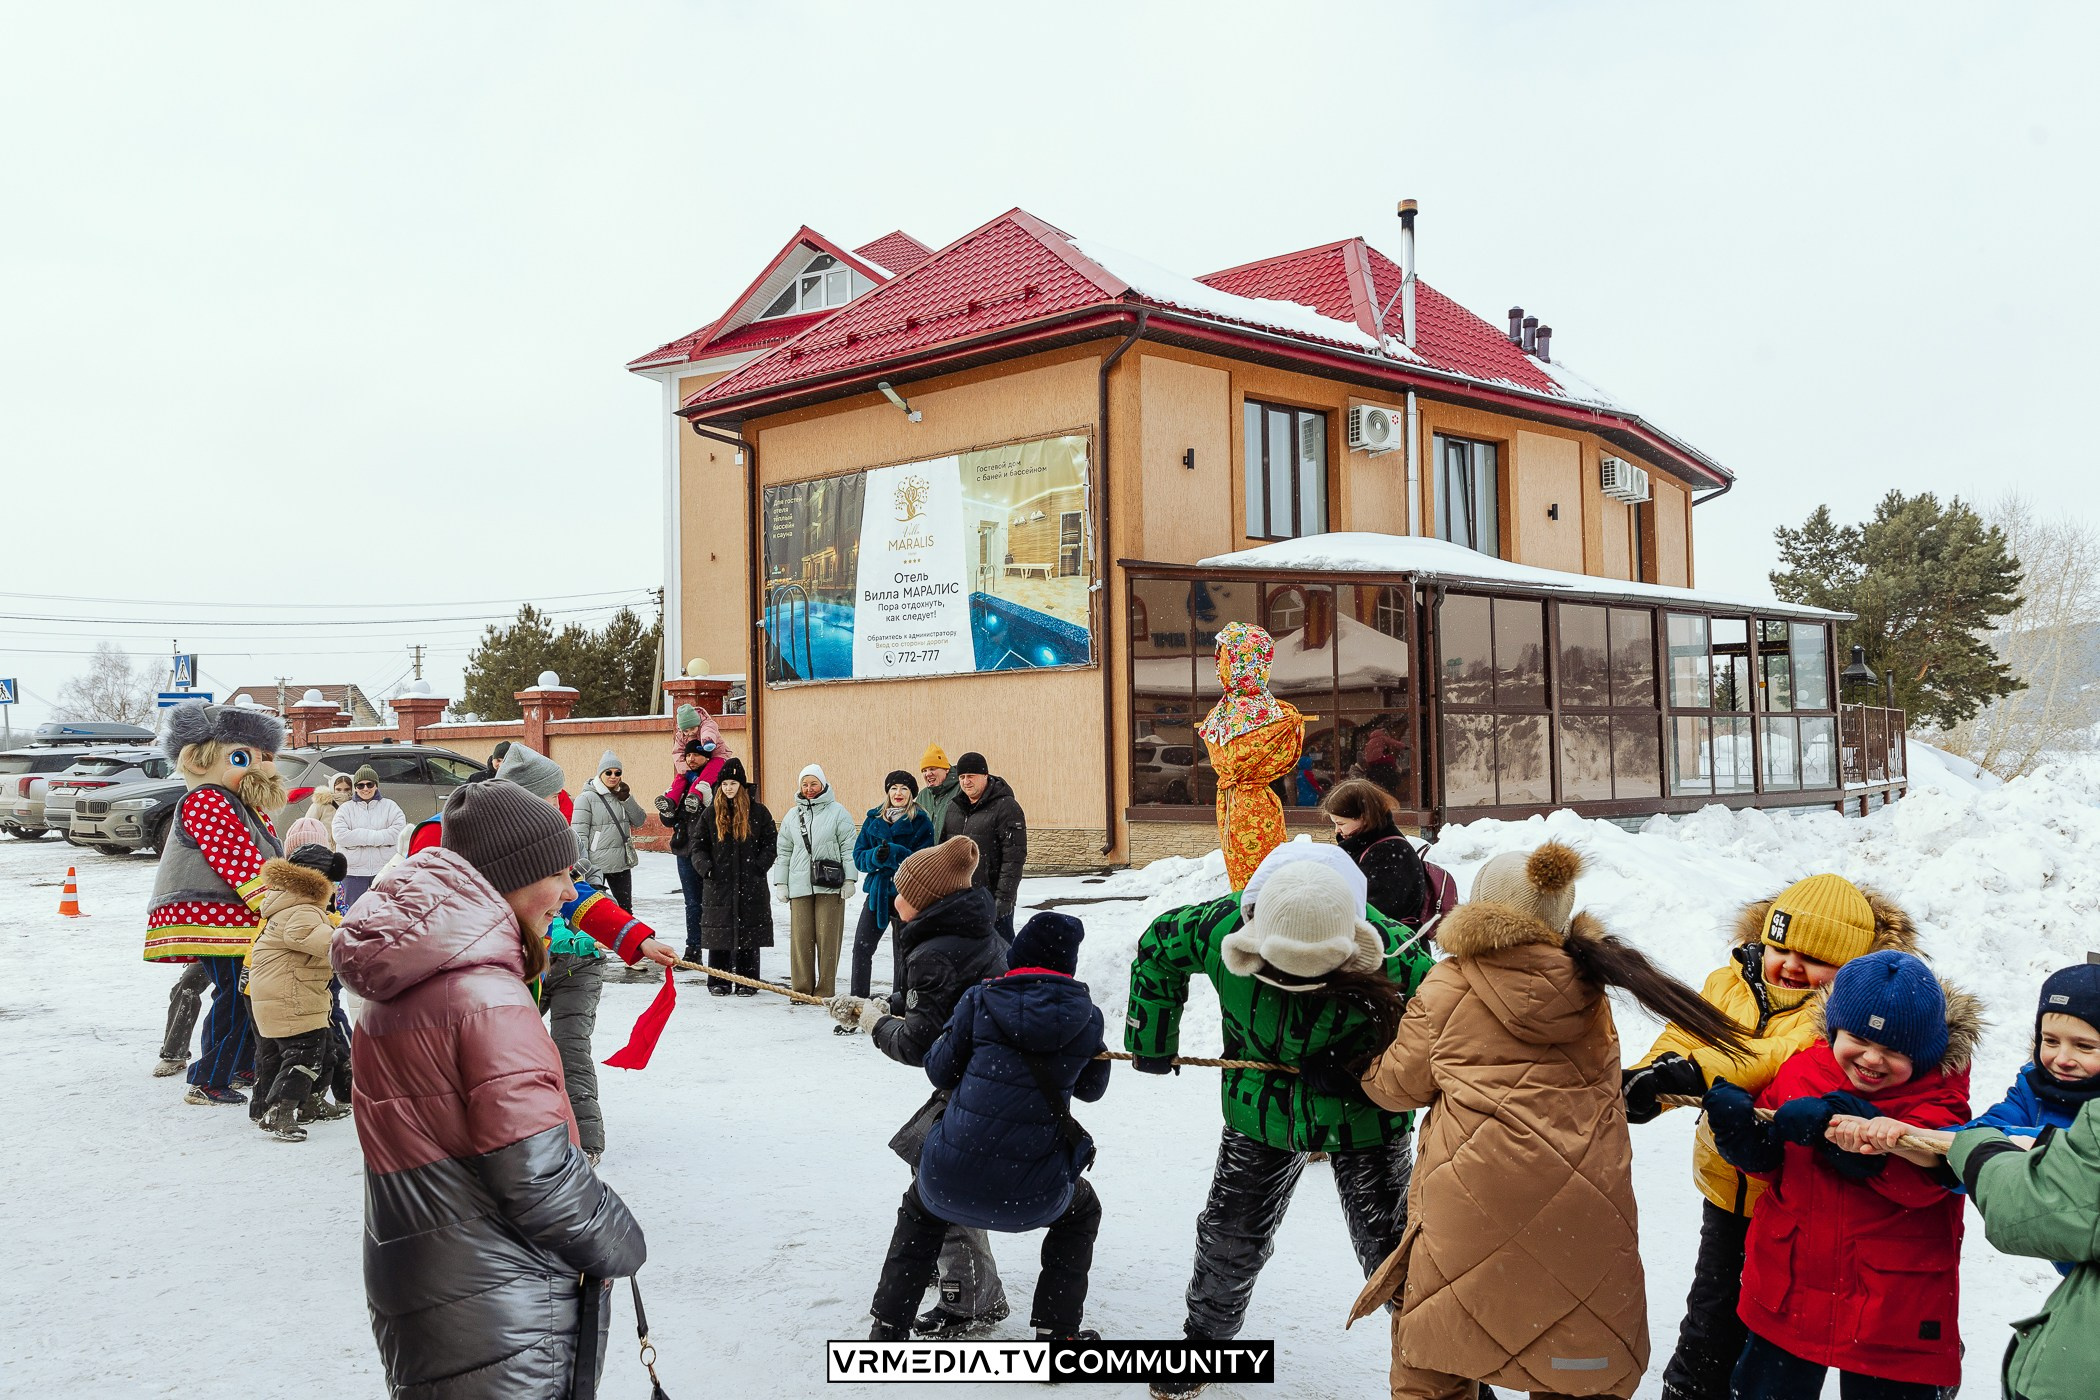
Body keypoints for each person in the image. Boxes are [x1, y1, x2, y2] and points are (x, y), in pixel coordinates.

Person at [1349, 842, 1750, 1400]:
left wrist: (1354, 1069)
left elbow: (1397, 1087)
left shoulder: (1448, 984)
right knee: (1572, 1348)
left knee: (1437, 1361)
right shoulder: (1591, 988)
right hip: (1583, 1204)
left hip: (1471, 1199)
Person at [333, 778, 646, 1399]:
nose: (567, 891)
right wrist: (619, 1236)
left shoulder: (414, 975)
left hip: (424, 1271)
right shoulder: (485, 995)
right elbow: (535, 1174)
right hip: (498, 1293)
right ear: (509, 876)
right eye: (556, 873)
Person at [1126, 845, 1432, 1396]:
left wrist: (1367, 1070)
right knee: (1229, 1234)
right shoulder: (1218, 926)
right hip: (1259, 1110)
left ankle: (1444, 1369)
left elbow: (1440, 1032)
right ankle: (1203, 1347)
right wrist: (1151, 1035)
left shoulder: (1399, 956)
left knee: (1392, 1250)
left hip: (1362, 1115)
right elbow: (1157, 947)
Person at [1621, 874, 1913, 1400]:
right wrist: (1652, 1075)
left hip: (1792, 1192)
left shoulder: (1840, 1013)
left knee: (1773, 1315)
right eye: (1782, 947)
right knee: (1712, 1304)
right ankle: (1693, 1387)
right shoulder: (1727, 982)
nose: (1793, 966)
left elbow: (1776, 1057)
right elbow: (1684, 1034)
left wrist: (1694, 1072)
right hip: (1723, 1183)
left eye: (1816, 958)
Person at [1702, 949, 1977, 1398]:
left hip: (1891, 1305)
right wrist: (1743, 1140)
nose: (1872, 1058)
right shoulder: (1804, 1070)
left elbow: (1936, 1180)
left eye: (1893, 1050)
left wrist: (1870, 1155)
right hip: (1790, 1282)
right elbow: (1775, 1164)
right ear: (1834, 1028)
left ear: (1925, 1053)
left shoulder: (1940, 1100)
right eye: (1858, 1039)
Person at [867, 913, 1109, 1343]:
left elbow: (940, 1071)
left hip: (950, 1181)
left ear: (1016, 957)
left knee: (921, 1209)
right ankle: (1057, 1334)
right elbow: (1093, 1089)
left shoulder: (980, 1000)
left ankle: (888, 1327)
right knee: (1081, 1212)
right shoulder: (1086, 1017)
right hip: (1035, 1195)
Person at [827, 836, 1012, 1338]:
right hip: (991, 1077)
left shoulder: (934, 950)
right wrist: (890, 1002)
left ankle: (972, 1298)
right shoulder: (976, 932)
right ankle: (946, 1260)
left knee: (939, 1174)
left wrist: (873, 1022)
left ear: (928, 899)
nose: (893, 899)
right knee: (926, 1163)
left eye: (902, 891)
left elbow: (920, 1046)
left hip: (974, 1088)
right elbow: (943, 1002)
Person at [142, 701, 286, 1104]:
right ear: (197, 759)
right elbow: (239, 861)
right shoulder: (208, 799)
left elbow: (266, 856)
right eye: (241, 758)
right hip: (214, 914)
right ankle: (208, 1079)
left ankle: (237, 1065)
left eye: (261, 759)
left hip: (234, 915)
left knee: (241, 992)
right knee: (236, 993)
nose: (258, 768)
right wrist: (278, 904)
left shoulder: (242, 803)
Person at [1945, 1098, 2100, 1399]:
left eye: (2085, 1047)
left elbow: (2031, 1208)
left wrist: (1980, 1146)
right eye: (2051, 1045)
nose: (2065, 1059)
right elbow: (1979, 1126)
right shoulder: (2032, 1089)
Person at [244, 844, 354, 1142]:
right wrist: (355, 942)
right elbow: (322, 942)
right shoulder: (303, 910)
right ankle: (280, 1110)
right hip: (290, 994)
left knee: (304, 1048)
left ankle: (304, 1103)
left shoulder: (288, 902)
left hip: (278, 990)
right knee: (306, 1052)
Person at [1198, 622, 1305, 891]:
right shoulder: (1219, 715)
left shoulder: (1279, 718)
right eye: (1219, 655)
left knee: (1263, 882)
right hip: (1230, 809)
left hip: (1255, 810)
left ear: (1244, 661)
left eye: (1226, 656)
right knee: (1243, 884)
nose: (1220, 663)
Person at [1319, 779, 1454, 940]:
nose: (1337, 830)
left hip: (1394, 951)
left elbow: (1375, 913)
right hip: (1386, 944)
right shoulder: (1369, 845)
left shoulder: (1389, 853)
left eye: (1340, 823)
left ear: (1364, 817)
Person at [848, 769, 936, 1010]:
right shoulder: (873, 819)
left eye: (904, 789)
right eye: (894, 788)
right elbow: (858, 857)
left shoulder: (921, 822)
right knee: (861, 948)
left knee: (903, 955)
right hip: (877, 893)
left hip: (906, 895)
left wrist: (895, 853)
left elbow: (923, 860)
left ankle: (899, 1008)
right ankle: (857, 1006)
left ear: (912, 794)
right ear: (887, 791)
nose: (898, 793)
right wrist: (876, 856)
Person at [689, 757, 777, 995]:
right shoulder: (710, 814)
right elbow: (698, 847)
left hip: (751, 883)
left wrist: (759, 866)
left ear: (742, 785)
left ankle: (748, 982)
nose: (729, 788)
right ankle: (719, 980)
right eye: (725, 783)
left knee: (749, 934)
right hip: (719, 884)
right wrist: (707, 868)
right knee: (719, 934)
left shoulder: (758, 812)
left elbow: (770, 843)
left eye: (733, 783)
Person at [774, 762, 856, 999]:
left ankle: (825, 989)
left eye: (813, 784)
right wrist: (782, 883)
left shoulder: (838, 812)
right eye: (805, 784)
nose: (809, 788)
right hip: (799, 884)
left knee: (828, 938)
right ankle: (801, 989)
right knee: (801, 940)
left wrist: (849, 879)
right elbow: (785, 851)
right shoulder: (792, 815)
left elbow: (848, 847)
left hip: (830, 883)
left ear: (823, 784)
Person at [939, 751, 1027, 943]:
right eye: (962, 777)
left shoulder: (1006, 807)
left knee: (1000, 952)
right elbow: (943, 852)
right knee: (966, 953)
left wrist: (1004, 898)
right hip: (960, 898)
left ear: (985, 775)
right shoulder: (954, 807)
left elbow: (1014, 857)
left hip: (991, 898)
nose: (966, 781)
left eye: (971, 776)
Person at [657, 737, 725, 964]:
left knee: (714, 902)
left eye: (696, 755)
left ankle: (719, 951)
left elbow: (723, 816)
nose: (691, 759)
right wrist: (667, 813)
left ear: (707, 757)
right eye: (687, 755)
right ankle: (693, 948)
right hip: (685, 850)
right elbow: (669, 822)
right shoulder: (681, 782)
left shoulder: (718, 782)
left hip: (710, 852)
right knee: (692, 902)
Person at [572, 750, 646, 909]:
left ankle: (627, 935)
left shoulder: (623, 796)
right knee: (595, 910)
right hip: (596, 866)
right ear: (600, 774)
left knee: (625, 910)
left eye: (617, 772)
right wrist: (583, 863)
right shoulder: (586, 798)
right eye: (608, 772)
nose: (613, 776)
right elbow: (579, 834)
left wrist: (627, 800)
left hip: (621, 863)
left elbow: (640, 821)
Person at [333, 765, 406, 910]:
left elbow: (398, 833)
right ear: (355, 788)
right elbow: (340, 835)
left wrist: (359, 837)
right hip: (353, 873)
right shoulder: (345, 809)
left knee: (384, 914)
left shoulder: (390, 806)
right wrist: (379, 838)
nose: (365, 788)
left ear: (376, 785)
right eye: (360, 785)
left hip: (384, 871)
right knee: (352, 914)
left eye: (369, 784)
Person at [915, 743, 960, 837]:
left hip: (951, 850)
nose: (928, 774)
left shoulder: (960, 790)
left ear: (946, 769)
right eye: (924, 770)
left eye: (932, 769)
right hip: (928, 851)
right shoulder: (923, 796)